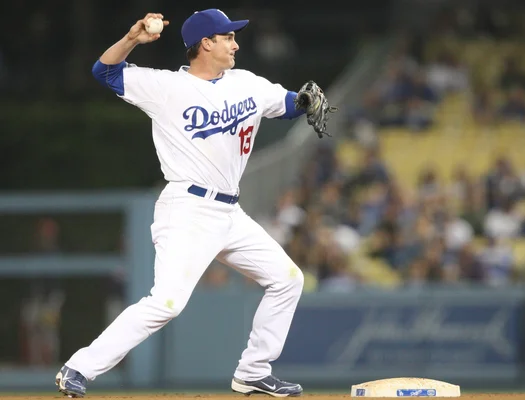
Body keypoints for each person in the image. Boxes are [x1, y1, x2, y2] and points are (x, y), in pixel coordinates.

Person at [55, 9, 336, 398]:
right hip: (186, 209)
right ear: (206, 43)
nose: (236, 44)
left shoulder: (247, 84)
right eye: (228, 37)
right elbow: (103, 72)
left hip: (230, 213)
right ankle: (79, 367)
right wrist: (133, 38)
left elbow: (289, 103)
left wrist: (305, 100)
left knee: (287, 280)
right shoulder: (165, 87)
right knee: (167, 303)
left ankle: (253, 371)